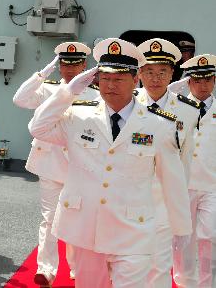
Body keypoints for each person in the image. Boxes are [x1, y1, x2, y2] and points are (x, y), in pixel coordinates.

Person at [29, 38, 192, 288]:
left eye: (118, 79)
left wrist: (181, 229)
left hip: (132, 231)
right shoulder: (79, 115)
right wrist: (67, 92)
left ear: (135, 79)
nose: (110, 85)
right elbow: (37, 127)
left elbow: (173, 180)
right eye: (105, 78)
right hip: (86, 230)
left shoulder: (159, 124)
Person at [13, 41, 99, 286]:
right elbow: (20, 99)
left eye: (75, 65)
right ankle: (46, 269)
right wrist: (42, 73)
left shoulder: (95, 94)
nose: (69, 70)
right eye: (64, 65)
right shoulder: (47, 89)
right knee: (49, 218)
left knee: (77, 217)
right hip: (50, 163)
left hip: (81, 165)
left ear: (84, 65)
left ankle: (75, 266)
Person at [136, 38, 200, 287]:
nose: (155, 78)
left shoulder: (189, 110)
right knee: (128, 262)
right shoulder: (126, 102)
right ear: (139, 73)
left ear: (172, 73)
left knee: (160, 266)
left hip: (163, 199)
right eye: (149, 71)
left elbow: (184, 160)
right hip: (128, 198)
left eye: (162, 71)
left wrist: (180, 209)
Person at [173, 54, 216, 288]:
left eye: (208, 80)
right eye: (197, 80)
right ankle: (184, 282)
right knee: (183, 238)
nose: (203, 85)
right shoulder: (175, 108)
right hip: (183, 183)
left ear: (214, 81)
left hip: (212, 185)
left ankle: (208, 284)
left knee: (211, 236)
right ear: (188, 82)